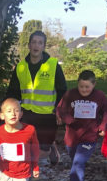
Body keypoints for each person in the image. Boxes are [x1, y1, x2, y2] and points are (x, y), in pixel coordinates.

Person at [6, 30, 67, 165]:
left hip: (48, 115)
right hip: (27, 113)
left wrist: (59, 110)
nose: (36, 45)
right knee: (26, 147)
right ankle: (29, 171)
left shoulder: (53, 65)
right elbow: (13, 91)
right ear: (29, 45)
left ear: (43, 46)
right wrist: (4, 106)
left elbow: (62, 90)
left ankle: (50, 149)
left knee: (42, 151)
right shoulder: (20, 67)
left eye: (40, 43)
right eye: (33, 42)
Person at [56, 70, 107, 181]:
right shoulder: (71, 94)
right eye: (81, 86)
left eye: (87, 87)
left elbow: (106, 111)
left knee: (78, 163)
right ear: (77, 84)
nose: (84, 90)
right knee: (76, 163)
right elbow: (61, 109)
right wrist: (68, 119)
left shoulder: (99, 96)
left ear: (94, 85)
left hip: (89, 137)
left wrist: (103, 126)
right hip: (72, 137)